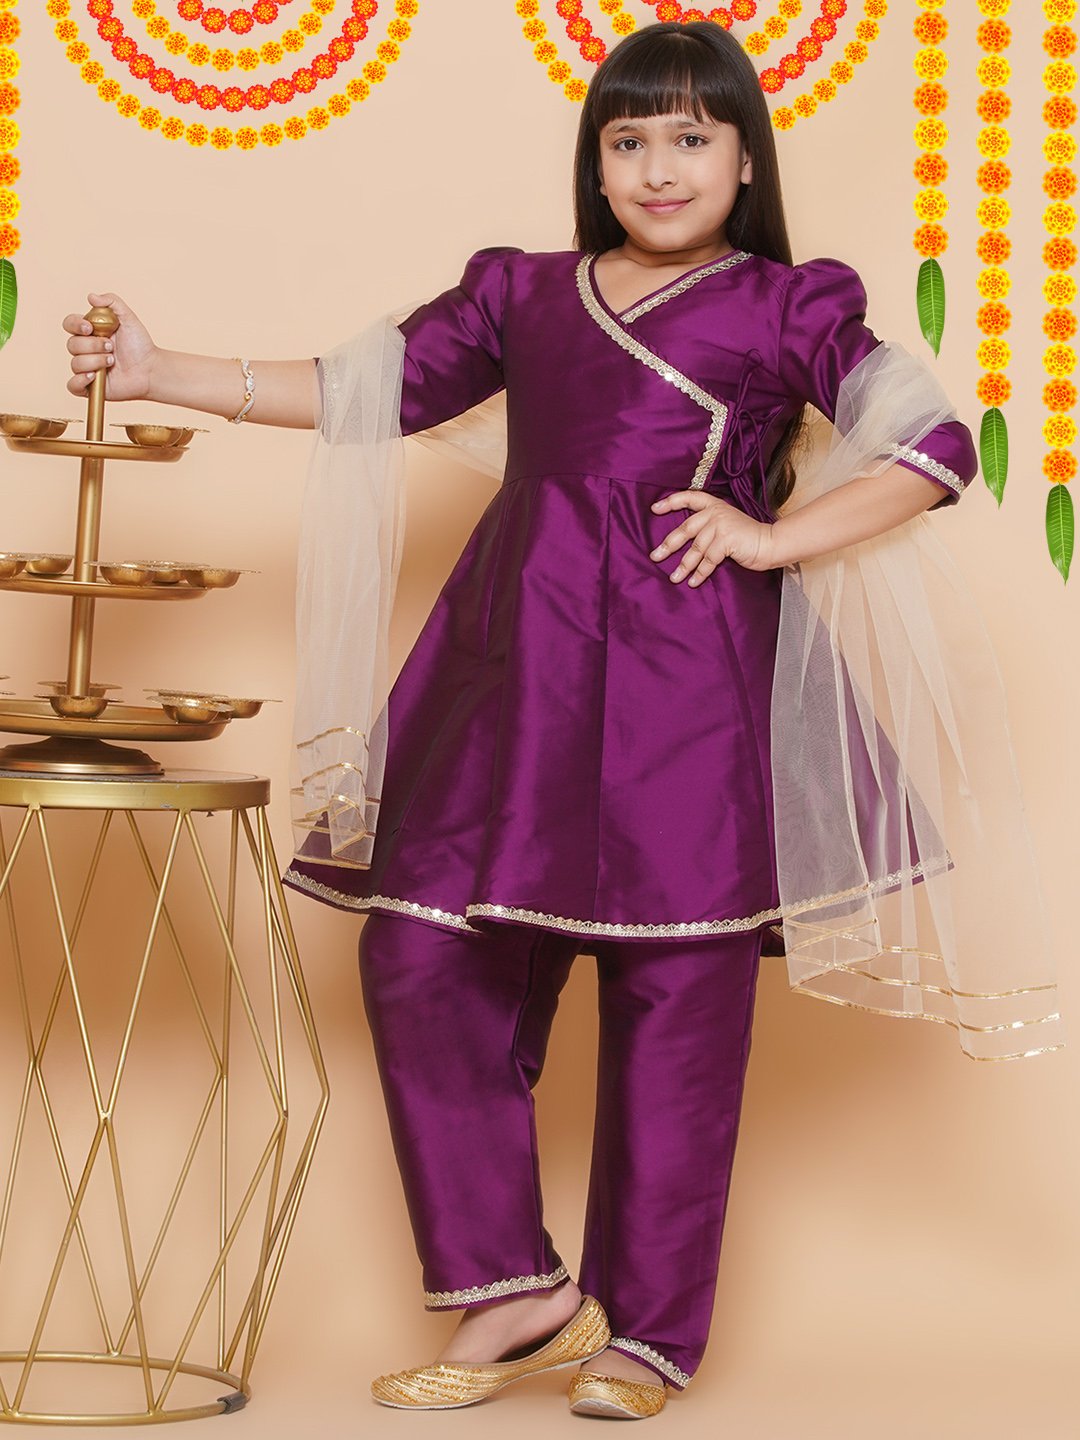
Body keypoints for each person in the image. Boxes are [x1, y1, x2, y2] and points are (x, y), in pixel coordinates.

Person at [63, 19, 1057, 1422]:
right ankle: (512, 1288)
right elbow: (363, 390)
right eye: (628, 139)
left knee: (675, 997)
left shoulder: (788, 305)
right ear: (597, 163)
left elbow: (930, 441)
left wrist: (773, 539)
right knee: (419, 956)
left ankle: (647, 1335)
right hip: (513, 676)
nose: (659, 167)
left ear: (745, 160)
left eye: (692, 137)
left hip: (694, 690)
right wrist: (162, 370)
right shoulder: (520, 293)